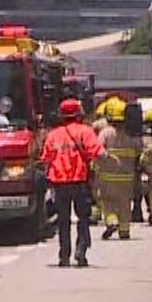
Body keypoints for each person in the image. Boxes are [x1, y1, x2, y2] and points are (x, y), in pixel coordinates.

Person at [41, 97, 103, 267]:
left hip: (59, 182)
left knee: (63, 220)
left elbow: (45, 158)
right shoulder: (85, 131)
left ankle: (64, 255)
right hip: (79, 181)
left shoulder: (53, 135)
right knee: (83, 217)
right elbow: (96, 151)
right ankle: (81, 250)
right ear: (79, 113)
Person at [91, 96, 137, 239]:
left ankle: (112, 221)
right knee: (125, 204)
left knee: (107, 201)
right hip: (127, 178)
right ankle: (124, 230)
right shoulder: (131, 134)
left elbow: (97, 150)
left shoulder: (106, 133)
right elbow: (139, 150)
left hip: (107, 177)